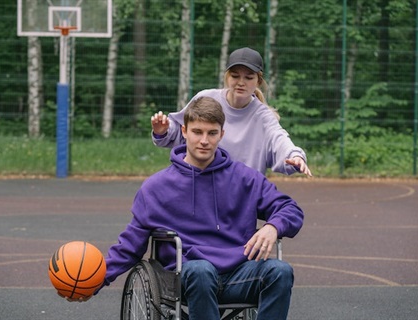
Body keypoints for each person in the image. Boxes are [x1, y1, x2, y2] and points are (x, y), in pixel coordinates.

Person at [88, 97, 304, 319]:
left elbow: (290, 209)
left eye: (211, 133)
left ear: (221, 134)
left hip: (238, 274)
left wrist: (273, 227)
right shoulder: (156, 187)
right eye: (197, 132)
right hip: (185, 275)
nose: (204, 140)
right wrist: (94, 281)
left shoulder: (245, 178)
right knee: (201, 270)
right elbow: (130, 245)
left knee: (280, 271)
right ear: (184, 131)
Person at [151, 47, 312, 177]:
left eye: (249, 78)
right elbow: (182, 131)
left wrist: (295, 155)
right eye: (235, 76)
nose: (241, 83)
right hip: (201, 184)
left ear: (258, 81)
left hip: (241, 196)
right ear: (227, 77)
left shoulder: (263, 117)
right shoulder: (206, 98)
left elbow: (279, 140)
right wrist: (164, 130)